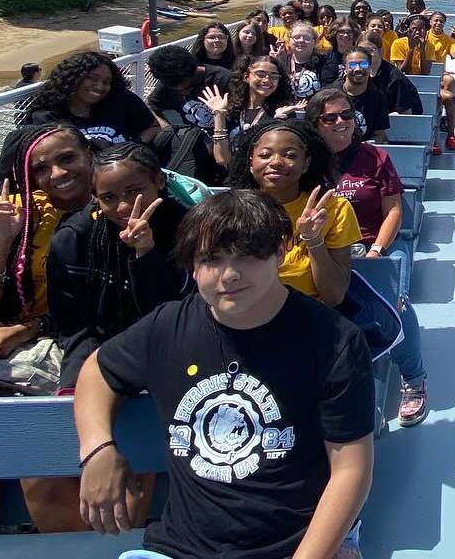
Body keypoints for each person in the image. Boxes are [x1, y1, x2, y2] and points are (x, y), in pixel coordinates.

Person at [74, 190, 375, 558]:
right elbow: (98, 371)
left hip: (299, 544)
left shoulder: (333, 340)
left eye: (247, 257)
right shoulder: (167, 327)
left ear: (279, 253)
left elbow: (351, 470)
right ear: (192, 267)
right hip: (181, 548)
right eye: (211, 259)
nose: (229, 275)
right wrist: (97, 449)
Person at [0, 123, 98, 534]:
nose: (56, 175)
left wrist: (27, 329)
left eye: (66, 159)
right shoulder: (9, 211)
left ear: (89, 153)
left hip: (62, 340)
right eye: (40, 169)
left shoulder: (116, 204)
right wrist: (2, 241)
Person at [308, 89, 429, 428]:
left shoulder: (375, 158)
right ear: (315, 123)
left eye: (346, 115)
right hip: (325, 248)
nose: (340, 123)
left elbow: (393, 211)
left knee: (396, 305)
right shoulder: (306, 163)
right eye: (330, 118)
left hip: (376, 245)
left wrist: (377, 250)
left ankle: (413, 377)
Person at [48, 141, 194, 392]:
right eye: (109, 198)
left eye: (134, 191)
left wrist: (145, 253)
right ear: (95, 197)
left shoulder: (193, 231)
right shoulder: (73, 240)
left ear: (159, 181)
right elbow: (74, 324)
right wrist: (79, 381)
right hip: (103, 350)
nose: (124, 207)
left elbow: (176, 315)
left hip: (176, 348)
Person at [227, 120, 358, 307]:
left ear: (305, 164)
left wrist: (313, 238)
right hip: (246, 312)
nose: (276, 162)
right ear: (251, 163)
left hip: (309, 315)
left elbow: (334, 296)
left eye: (290, 155)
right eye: (265, 155)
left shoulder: (334, 209)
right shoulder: (231, 210)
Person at [22, 51, 159, 145]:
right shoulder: (46, 117)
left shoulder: (120, 100)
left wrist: (133, 147)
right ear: (73, 78)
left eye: (107, 82)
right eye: (93, 79)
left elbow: (153, 127)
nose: (100, 87)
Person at [203, 55, 296, 169]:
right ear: (246, 76)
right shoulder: (232, 110)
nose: (267, 80)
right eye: (260, 74)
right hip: (233, 178)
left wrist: (278, 120)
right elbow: (222, 159)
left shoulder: (283, 111)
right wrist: (219, 115)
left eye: (274, 76)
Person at [146, 45, 231, 130]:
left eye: (188, 87)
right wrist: (166, 129)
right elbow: (150, 105)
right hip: (195, 136)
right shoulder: (169, 80)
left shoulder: (224, 79)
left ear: (195, 71)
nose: (184, 93)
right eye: (178, 91)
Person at [425, 11, 455, 153]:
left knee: (449, 79)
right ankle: (432, 135)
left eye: (441, 21)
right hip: (425, 76)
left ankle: (450, 133)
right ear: (430, 21)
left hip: (439, 77)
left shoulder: (446, 39)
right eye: (435, 20)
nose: (438, 23)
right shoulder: (424, 36)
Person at [275, 21, 339, 103]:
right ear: (289, 41)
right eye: (296, 37)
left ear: (315, 42)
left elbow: (328, 90)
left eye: (306, 38)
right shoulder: (281, 61)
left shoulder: (325, 62)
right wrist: (278, 65)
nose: (301, 40)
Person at [362, 32, 422, 115]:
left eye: (370, 50)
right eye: (361, 50)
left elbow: (406, 114)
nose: (365, 54)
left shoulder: (395, 77)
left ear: (380, 51)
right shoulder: (357, 74)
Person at [340, 46, 391, 142]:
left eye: (363, 64)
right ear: (344, 69)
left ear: (370, 68)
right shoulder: (330, 94)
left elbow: (379, 135)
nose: (358, 69)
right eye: (352, 65)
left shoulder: (378, 97)